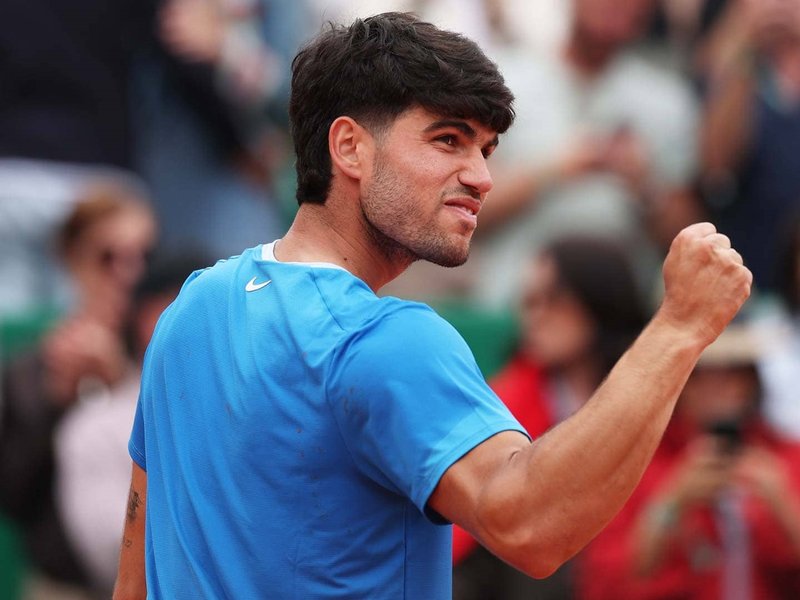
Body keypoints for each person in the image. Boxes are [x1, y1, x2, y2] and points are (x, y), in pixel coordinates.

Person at [113, 12, 751, 599]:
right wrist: (681, 326)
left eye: (486, 149)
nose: (481, 176)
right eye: (449, 140)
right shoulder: (386, 339)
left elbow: (134, 570)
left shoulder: (191, 307)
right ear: (349, 147)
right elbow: (532, 525)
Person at [577, 324, 800, 598]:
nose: (716, 388)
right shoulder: (638, 464)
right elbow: (606, 583)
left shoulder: (785, 456)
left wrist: (782, 505)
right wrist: (673, 503)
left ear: (752, 380)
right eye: (699, 373)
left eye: (733, 372)